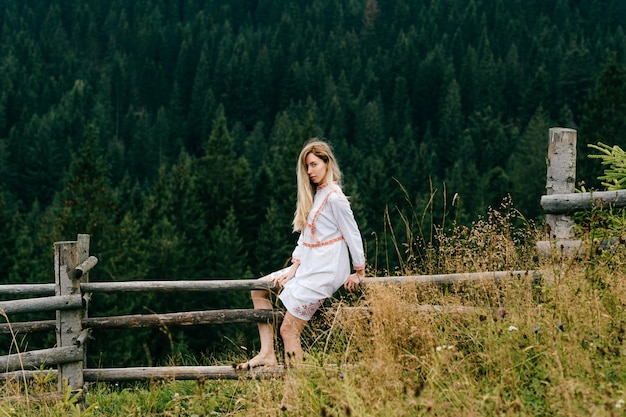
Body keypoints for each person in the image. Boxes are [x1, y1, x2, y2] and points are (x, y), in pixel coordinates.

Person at [237, 139, 365, 369]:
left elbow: (353, 233)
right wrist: (293, 269)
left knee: (288, 330)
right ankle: (266, 352)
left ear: (327, 163)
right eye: (307, 166)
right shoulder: (316, 195)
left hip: (326, 269)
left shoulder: (334, 197)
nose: (310, 171)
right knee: (258, 288)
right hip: (309, 264)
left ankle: (295, 387)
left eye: (314, 164)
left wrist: (359, 270)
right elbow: (305, 238)